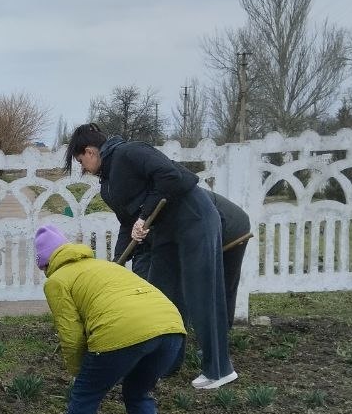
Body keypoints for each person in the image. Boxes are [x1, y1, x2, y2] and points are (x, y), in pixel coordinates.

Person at [65, 123, 235, 390]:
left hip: (193, 218)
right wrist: (116, 264)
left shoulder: (130, 152)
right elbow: (127, 223)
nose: (83, 168)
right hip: (165, 231)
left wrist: (144, 215)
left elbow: (171, 176)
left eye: (80, 161)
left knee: (201, 291)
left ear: (90, 151)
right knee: (163, 296)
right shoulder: (107, 185)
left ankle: (220, 369)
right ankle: (167, 363)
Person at [33, 225, 186, 414]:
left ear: (45, 263)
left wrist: (78, 372)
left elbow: (71, 335)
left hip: (122, 330)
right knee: (138, 394)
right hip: (171, 327)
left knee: (85, 395)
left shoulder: (56, 280)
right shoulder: (104, 266)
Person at [130, 189, 251, 330]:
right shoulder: (139, 214)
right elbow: (140, 257)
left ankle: (213, 332)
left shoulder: (169, 200)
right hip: (193, 228)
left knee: (219, 286)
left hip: (232, 226)